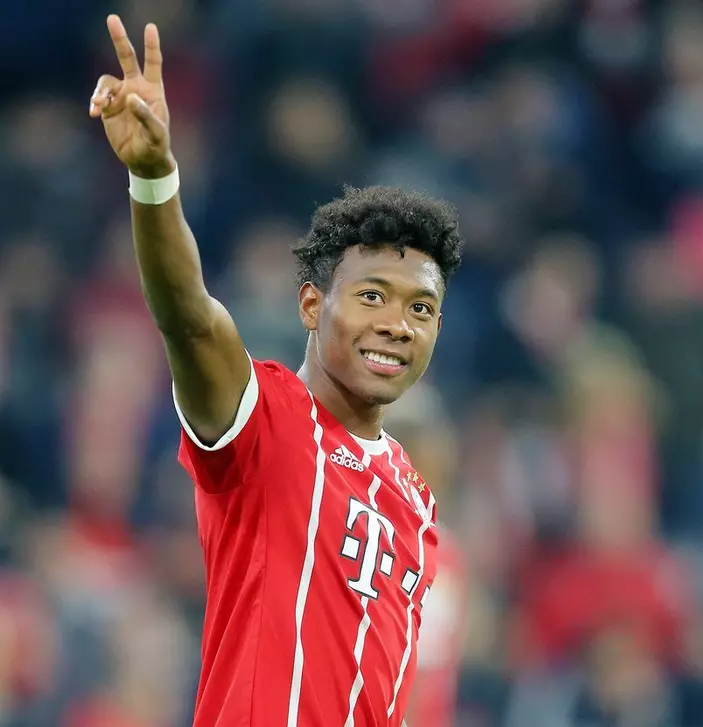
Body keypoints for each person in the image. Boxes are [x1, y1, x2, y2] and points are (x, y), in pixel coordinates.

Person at [88, 15, 464, 727]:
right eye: (372, 296)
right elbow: (188, 316)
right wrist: (154, 179)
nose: (397, 323)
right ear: (312, 303)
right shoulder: (265, 418)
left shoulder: (416, 502)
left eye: (421, 308)